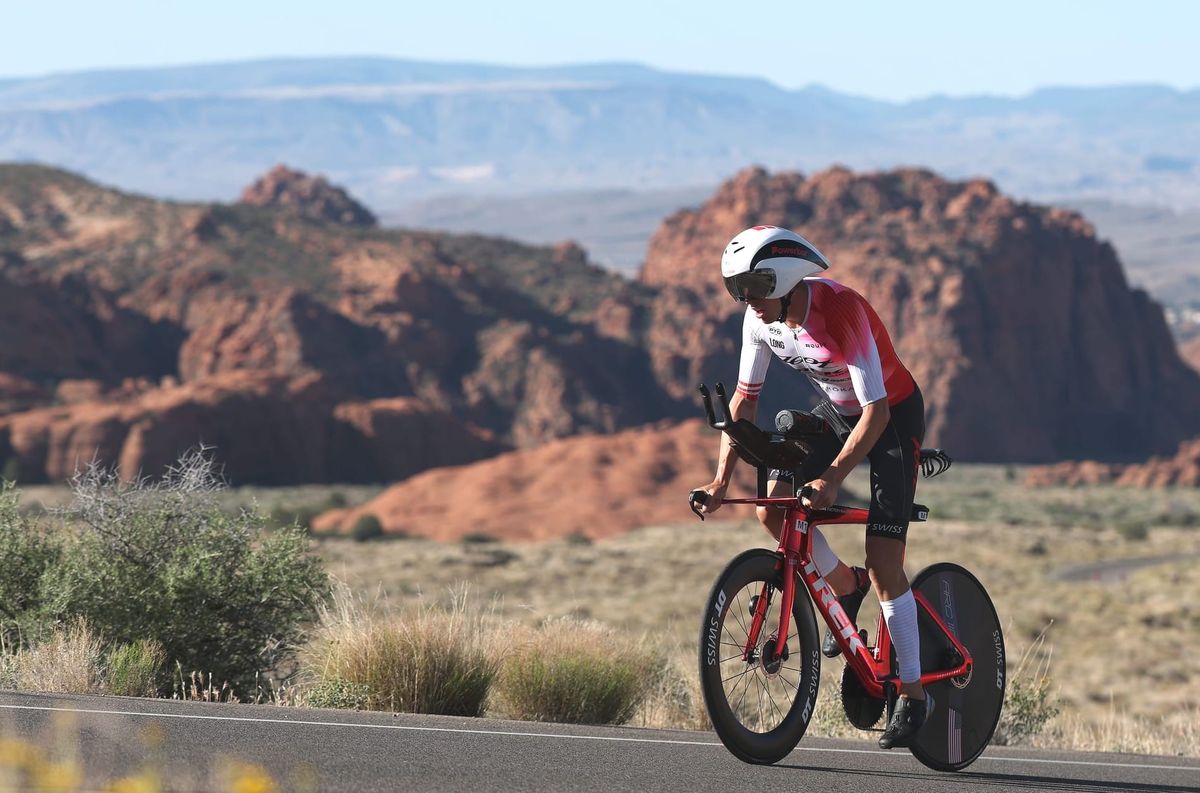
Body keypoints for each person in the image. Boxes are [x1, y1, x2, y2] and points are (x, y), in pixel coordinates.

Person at [694, 225, 931, 749]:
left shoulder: (841, 312)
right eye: (737, 290)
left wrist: (831, 479)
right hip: (837, 414)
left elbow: (875, 413)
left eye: (753, 288)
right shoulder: (760, 322)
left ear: (783, 278)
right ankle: (845, 588)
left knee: (884, 559)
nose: (746, 301)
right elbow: (743, 405)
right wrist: (719, 481)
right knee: (774, 512)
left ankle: (913, 694)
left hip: (889, 417)